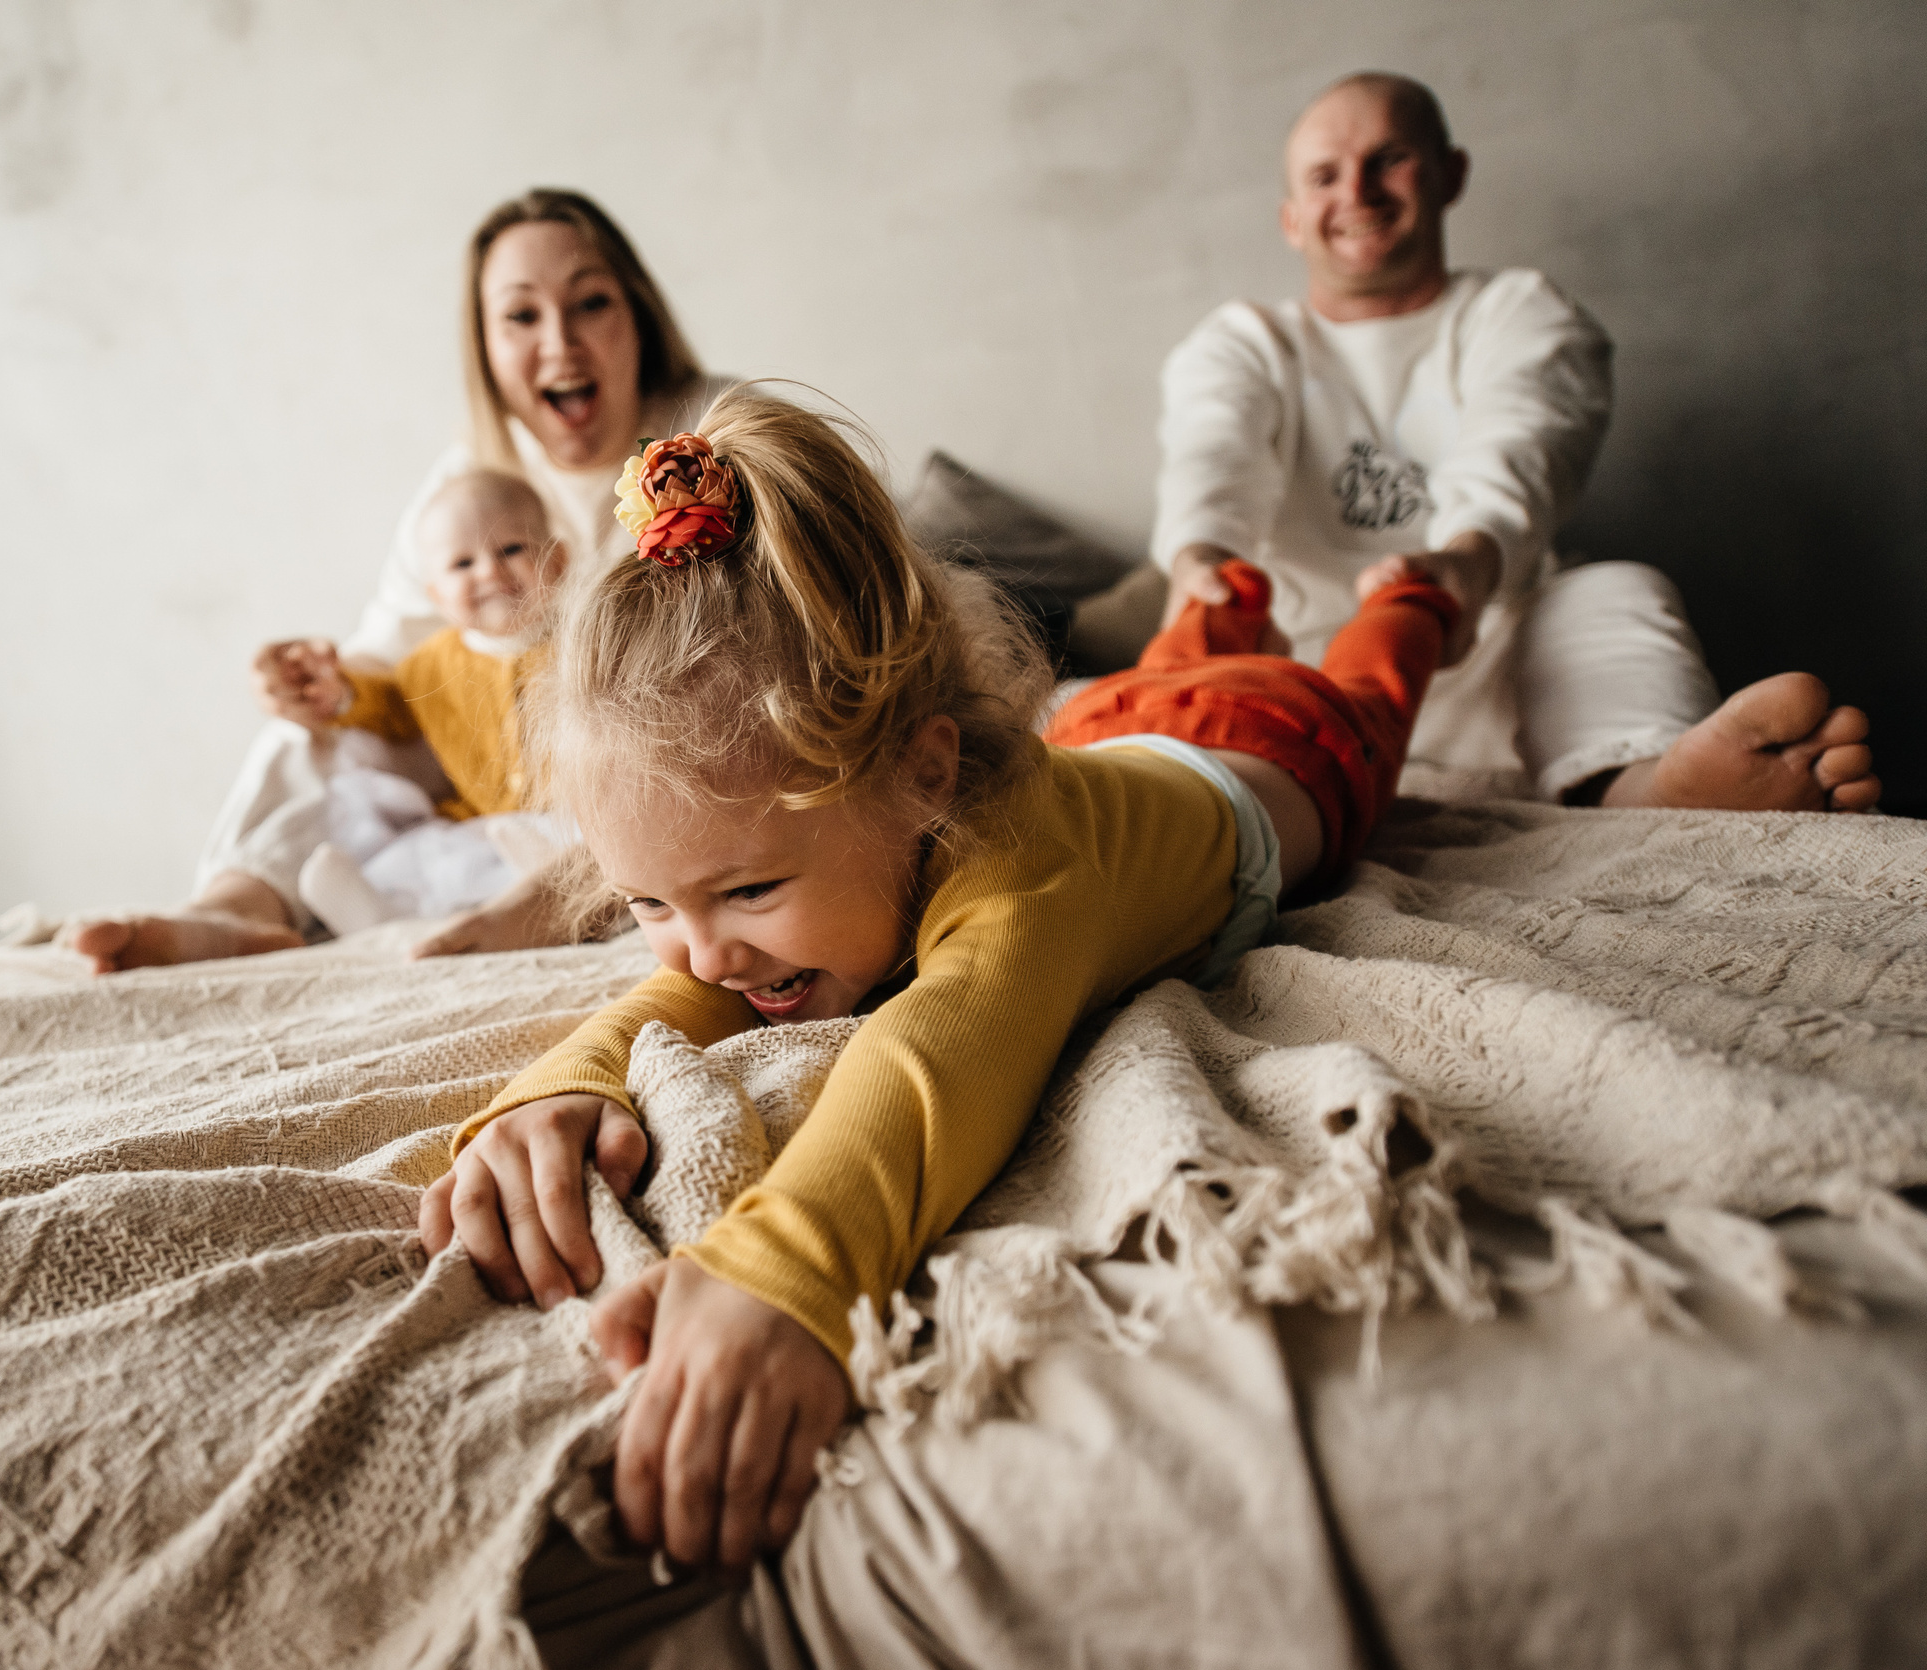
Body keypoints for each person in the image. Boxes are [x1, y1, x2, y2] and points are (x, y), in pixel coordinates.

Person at [418, 390, 1461, 1571]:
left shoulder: (1025, 872)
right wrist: (569, 1079)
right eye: (650, 904)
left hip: (1281, 741)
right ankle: (1219, 602)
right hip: (1105, 721)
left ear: (926, 776)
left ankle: (1409, 601)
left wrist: (786, 1272)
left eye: (747, 891)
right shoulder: (850, 835)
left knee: (1374, 682)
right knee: (1183, 644)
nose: (700, 953)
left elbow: (941, 1045)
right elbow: (716, 983)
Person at [1154, 71, 1878, 812]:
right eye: (1324, 176)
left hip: (1493, 662)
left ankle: (1645, 784)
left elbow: (1522, 449)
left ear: (1450, 174)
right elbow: (1213, 461)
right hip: (1301, 673)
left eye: (1388, 159)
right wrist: (1199, 561)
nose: (1358, 192)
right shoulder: (1242, 342)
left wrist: (1463, 567)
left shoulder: (1520, 312)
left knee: (1616, 589)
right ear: (1291, 218)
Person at [66, 190, 729, 974]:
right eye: (521, 316)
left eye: (590, 304)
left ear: (639, 316)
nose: (560, 343)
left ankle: (549, 902)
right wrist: (314, 683)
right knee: (321, 732)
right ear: (486, 345)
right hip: (508, 779)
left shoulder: (719, 430)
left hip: (660, 761)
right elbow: (391, 654)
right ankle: (238, 907)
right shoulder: (471, 481)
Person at [255, 468, 573, 935]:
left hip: (575, 816)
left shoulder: (585, 637)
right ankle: (385, 912)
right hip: (487, 828)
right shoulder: (430, 665)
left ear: (558, 561)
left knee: (598, 844)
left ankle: (546, 898)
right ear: (436, 596)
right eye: (462, 564)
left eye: (511, 549)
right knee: (429, 852)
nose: (489, 571)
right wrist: (340, 693)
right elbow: (389, 709)